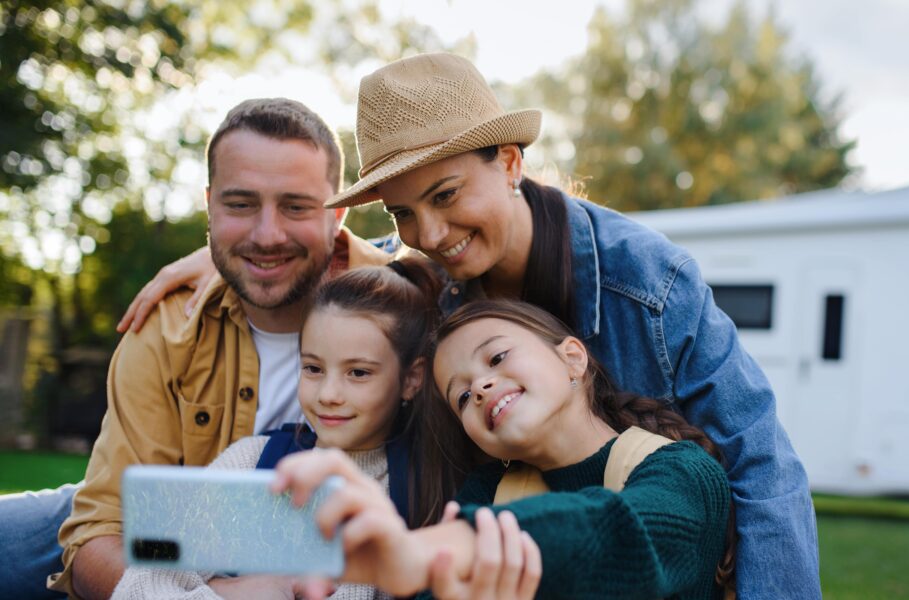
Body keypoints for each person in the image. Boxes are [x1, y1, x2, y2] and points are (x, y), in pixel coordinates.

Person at [121, 53, 821, 598]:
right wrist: (235, 256)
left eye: (446, 195)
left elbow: (752, 469)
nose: (429, 232)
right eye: (401, 213)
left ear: (510, 162)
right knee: (41, 530)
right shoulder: (434, 320)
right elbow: (352, 274)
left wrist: (420, 554)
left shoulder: (650, 296)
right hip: (357, 516)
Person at [49, 97, 395, 600]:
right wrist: (222, 593)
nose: (267, 234)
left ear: (336, 214)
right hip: (169, 537)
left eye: (296, 206)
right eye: (240, 204)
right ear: (210, 205)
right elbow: (100, 534)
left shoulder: (404, 305)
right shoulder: (165, 328)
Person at [111, 262, 541, 600]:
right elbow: (138, 587)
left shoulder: (431, 487)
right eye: (313, 368)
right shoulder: (256, 464)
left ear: (412, 379)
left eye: (358, 373)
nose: (329, 394)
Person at [273, 299, 733, 599]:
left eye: (496, 358)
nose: (480, 387)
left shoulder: (684, 473)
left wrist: (429, 553)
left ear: (573, 357)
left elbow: (622, 533)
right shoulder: (484, 493)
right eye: (460, 395)